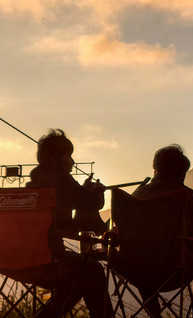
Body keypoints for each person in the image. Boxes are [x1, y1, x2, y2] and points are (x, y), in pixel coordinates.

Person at [24, 129, 111, 318]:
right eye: (68, 156)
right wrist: (97, 192)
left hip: (19, 260)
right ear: (57, 159)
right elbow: (89, 204)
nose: (72, 162)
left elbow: (70, 201)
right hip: (49, 258)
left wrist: (82, 190)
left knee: (79, 278)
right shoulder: (61, 180)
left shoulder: (32, 185)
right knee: (93, 270)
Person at [129, 145, 193, 318]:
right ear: (181, 173)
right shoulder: (189, 197)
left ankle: (154, 313)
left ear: (156, 169)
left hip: (137, 271)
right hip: (176, 269)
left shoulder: (138, 195)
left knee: (142, 258)